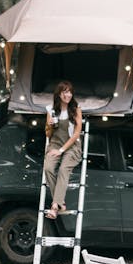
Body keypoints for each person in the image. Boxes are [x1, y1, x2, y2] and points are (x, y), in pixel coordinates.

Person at [43, 80, 83, 219]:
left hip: (71, 146)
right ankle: (60, 203)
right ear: (59, 94)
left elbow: (77, 133)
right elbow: (48, 135)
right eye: (65, 92)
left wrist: (61, 150)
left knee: (63, 169)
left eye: (70, 92)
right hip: (55, 144)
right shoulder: (51, 110)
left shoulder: (76, 109)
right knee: (48, 168)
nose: (68, 95)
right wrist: (50, 126)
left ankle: (54, 206)